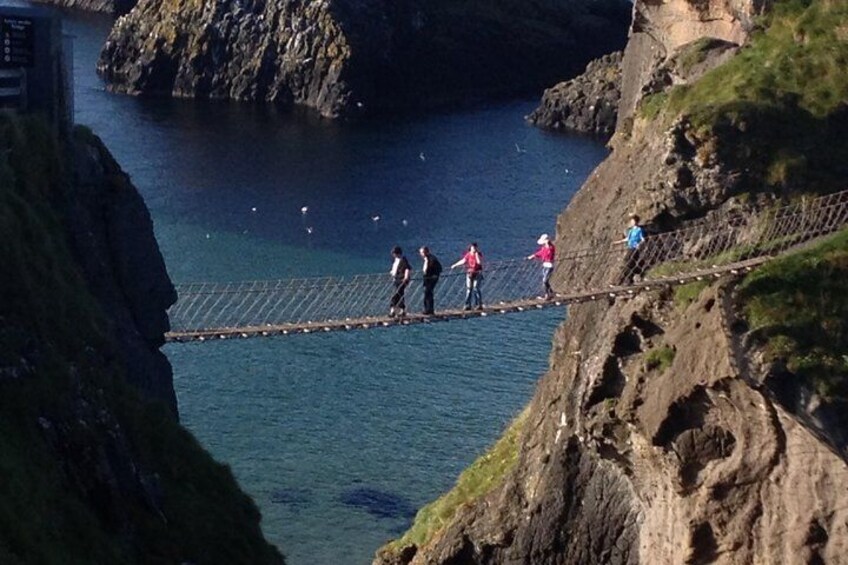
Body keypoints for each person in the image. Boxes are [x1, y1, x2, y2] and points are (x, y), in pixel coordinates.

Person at [614, 214, 645, 285]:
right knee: (629, 263)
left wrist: (639, 244)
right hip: (630, 247)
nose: (632, 222)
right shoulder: (631, 230)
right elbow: (628, 239)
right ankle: (628, 280)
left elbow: (643, 239)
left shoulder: (639, 230)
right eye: (631, 221)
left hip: (635, 248)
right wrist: (618, 242)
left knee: (628, 262)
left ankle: (623, 280)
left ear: (636, 222)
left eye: (633, 221)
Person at [451, 242, 483, 310]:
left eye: (475, 248)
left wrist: (476, 255)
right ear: (470, 248)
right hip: (470, 273)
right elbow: (463, 261)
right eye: (473, 248)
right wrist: (455, 265)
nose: (474, 249)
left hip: (477, 273)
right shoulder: (468, 254)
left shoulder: (478, 254)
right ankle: (467, 305)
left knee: (476, 288)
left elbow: (479, 262)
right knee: (469, 289)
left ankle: (478, 305)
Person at [527, 233, 556, 299]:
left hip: (549, 266)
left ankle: (547, 295)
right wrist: (533, 255)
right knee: (545, 281)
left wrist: (547, 244)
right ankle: (551, 293)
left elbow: (549, 253)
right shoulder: (544, 248)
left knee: (544, 281)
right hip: (545, 265)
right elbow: (540, 253)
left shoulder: (551, 247)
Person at [419, 246, 442, 315]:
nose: (421, 254)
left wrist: (435, 275)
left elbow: (439, 268)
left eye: (422, 252)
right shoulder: (427, 259)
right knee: (427, 293)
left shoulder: (432, 258)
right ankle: (428, 309)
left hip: (431, 278)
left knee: (428, 292)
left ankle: (429, 310)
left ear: (425, 252)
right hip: (427, 278)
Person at [389, 246, 411, 317]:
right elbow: (395, 268)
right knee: (400, 294)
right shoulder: (396, 260)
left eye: (394, 253)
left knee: (396, 294)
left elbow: (407, 268)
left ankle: (393, 310)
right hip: (396, 279)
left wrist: (406, 277)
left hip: (401, 280)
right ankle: (402, 311)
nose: (393, 255)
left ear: (397, 253)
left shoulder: (403, 260)